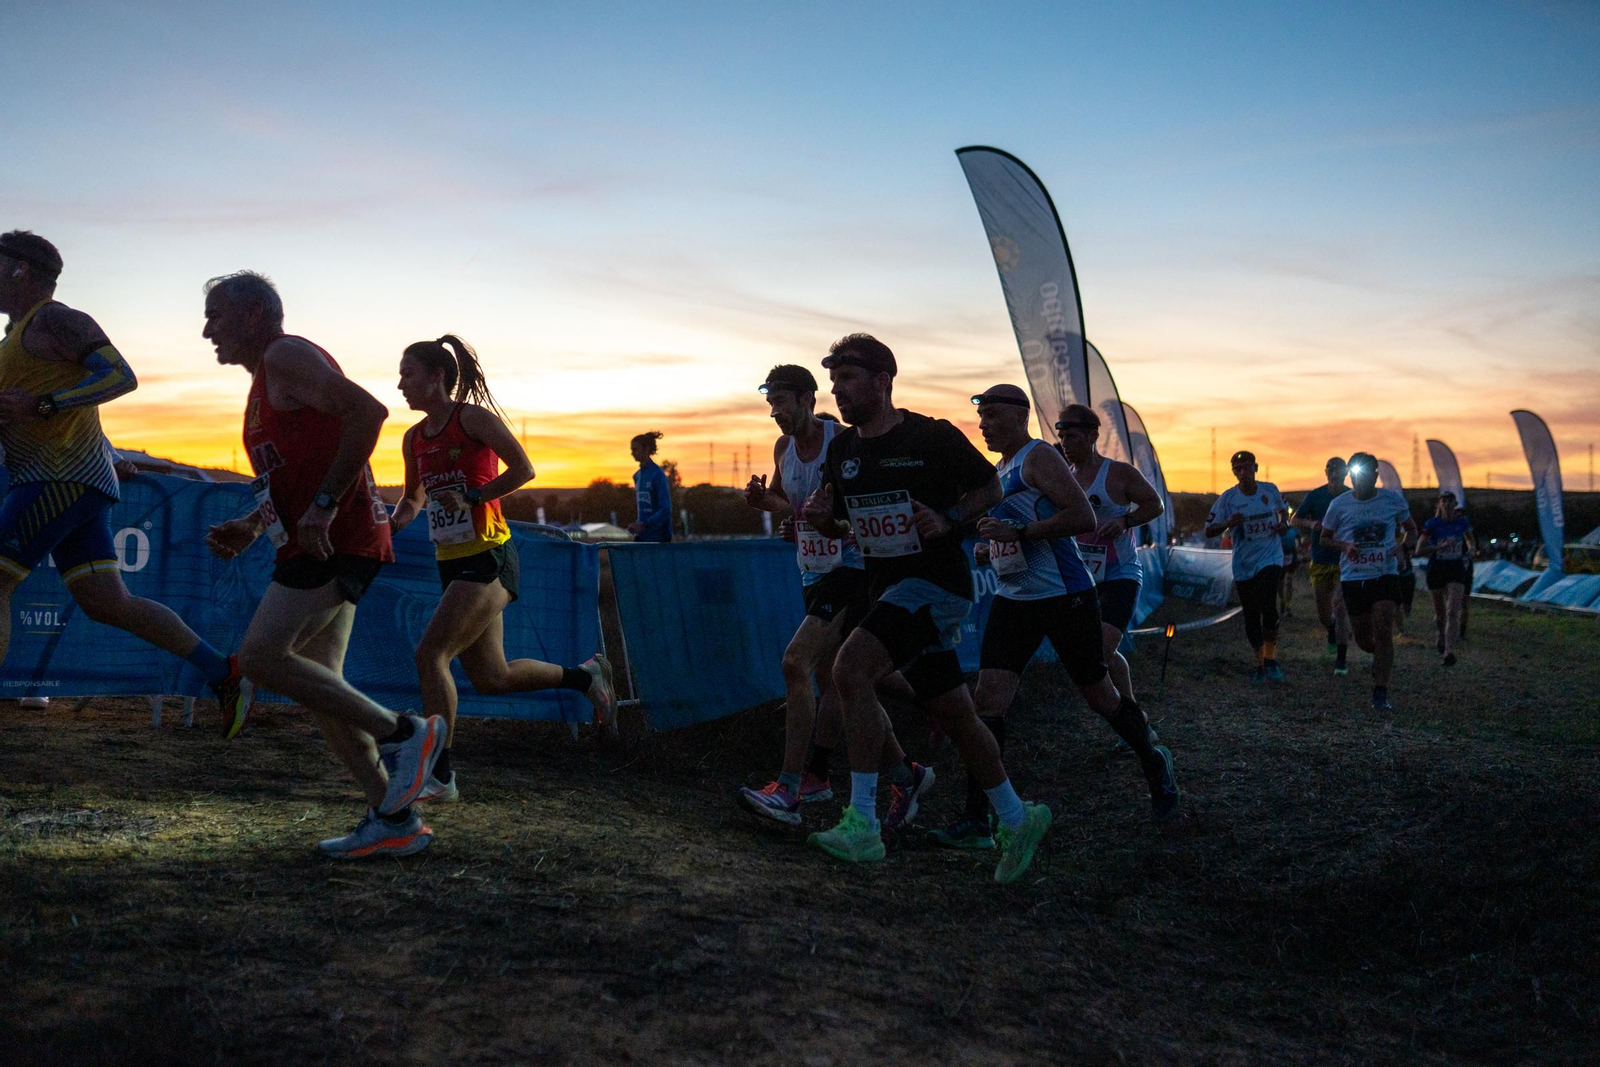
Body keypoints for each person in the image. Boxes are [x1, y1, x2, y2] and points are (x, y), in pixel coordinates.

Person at [200, 270, 444, 858]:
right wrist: (255, 525)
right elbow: (291, 467)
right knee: (323, 691)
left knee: (259, 656)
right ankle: (394, 819)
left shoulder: (285, 355)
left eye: (216, 316)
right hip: (317, 539)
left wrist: (325, 508)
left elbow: (369, 411)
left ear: (256, 314)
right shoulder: (268, 378)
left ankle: (406, 733)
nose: (207, 330)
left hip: (341, 538)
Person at [801, 334, 1050, 884]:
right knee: (957, 715)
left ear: (883, 381)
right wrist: (821, 518)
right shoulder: (843, 452)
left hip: (935, 583)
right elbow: (841, 523)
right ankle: (1016, 815)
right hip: (886, 586)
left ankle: (862, 822)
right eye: (834, 379)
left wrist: (949, 518)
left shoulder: (931, 436)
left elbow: (989, 486)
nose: (836, 390)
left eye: (847, 378)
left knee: (849, 668)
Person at [0, 231, 250, 731]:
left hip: (60, 475)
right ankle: (224, 672)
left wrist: (44, 405)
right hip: (75, 476)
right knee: (109, 602)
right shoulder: (14, 335)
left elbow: (120, 376)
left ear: (21, 268)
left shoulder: (55, 319)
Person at [932, 386, 1179, 849]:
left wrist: (1019, 532)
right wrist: (993, 548)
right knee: (989, 702)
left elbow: (1083, 515)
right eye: (980, 416)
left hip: (1066, 595)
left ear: (1019, 416)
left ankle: (1153, 760)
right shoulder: (999, 470)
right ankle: (977, 819)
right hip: (1014, 597)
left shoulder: (1037, 457)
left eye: (992, 415)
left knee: (1099, 695)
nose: (983, 424)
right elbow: (1012, 533)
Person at [390, 335, 615, 802]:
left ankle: (440, 774)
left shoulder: (471, 419)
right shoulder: (413, 439)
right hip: (450, 561)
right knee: (492, 677)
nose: (400, 385)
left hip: (490, 556)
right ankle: (585, 676)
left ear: (436, 376)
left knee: (430, 655)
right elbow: (414, 499)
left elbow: (524, 470)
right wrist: (388, 526)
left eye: (407, 374)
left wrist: (472, 496)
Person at [737, 365, 929, 827]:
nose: (774, 412)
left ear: (808, 399)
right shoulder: (784, 448)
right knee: (839, 681)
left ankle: (789, 787)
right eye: (770, 403)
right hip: (812, 570)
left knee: (794, 663)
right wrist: (766, 504)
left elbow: (863, 508)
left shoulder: (842, 442)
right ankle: (905, 774)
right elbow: (791, 504)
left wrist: (835, 526)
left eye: (781, 402)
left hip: (853, 567)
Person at [1053, 403, 1164, 714]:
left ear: (1092, 436)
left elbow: (1155, 505)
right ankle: (1133, 714)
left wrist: (1126, 521)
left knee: (1101, 649)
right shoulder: (1063, 477)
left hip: (1120, 574)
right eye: (1062, 437)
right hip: (1082, 577)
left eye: (1072, 437)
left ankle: (1125, 715)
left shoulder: (1118, 473)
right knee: (1100, 652)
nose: (1065, 444)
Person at [1317, 452, 1417, 711]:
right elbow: (1324, 538)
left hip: (1384, 573)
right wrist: (1344, 545)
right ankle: (1378, 658)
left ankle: (1380, 692)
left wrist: (1403, 548)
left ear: (1375, 476)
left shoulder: (1392, 501)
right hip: (1354, 577)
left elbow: (1412, 529)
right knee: (1363, 639)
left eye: (1367, 474)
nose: (1360, 480)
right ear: (1350, 475)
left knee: (1384, 627)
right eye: (1355, 475)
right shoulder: (1339, 505)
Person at [1204, 451, 1289, 682]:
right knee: (1251, 614)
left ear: (1256, 468)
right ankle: (1260, 664)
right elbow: (1209, 529)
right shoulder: (1228, 499)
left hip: (1270, 555)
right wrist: (1228, 523)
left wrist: (1283, 525)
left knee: (1268, 606)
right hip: (1244, 561)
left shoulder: (1269, 490)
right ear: (1233, 473)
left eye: (1247, 467)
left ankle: (1271, 659)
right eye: (1237, 469)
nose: (1243, 473)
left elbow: (1284, 511)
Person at [1294, 457, 1353, 676]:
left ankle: (1341, 661)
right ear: (1326, 472)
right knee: (1323, 614)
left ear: (1346, 472)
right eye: (1330, 468)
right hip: (1319, 559)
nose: (1334, 472)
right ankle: (1331, 630)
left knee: (1340, 609)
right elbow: (1294, 520)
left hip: (1343, 560)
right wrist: (1311, 524)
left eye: (1338, 469)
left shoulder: (1351, 496)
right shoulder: (1315, 496)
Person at [1415, 491, 1474, 667]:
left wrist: (1470, 551)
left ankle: (1449, 650)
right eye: (1444, 501)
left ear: (1455, 504)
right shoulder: (1432, 524)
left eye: (1450, 501)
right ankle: (1440, 634)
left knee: (1452, 611)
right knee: (1440, 613)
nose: (1447, 504)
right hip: (1437, 568)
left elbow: (1471, 541)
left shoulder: (1462, 523)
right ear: (1439, 504)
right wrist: (1438, 547)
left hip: (1455, 567)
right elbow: (1419, 550)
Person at [628, 432, 672, 542]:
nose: (632, 453)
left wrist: (645, 525)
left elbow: (665, 509)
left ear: (646, 449)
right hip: (643, 537)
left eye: (635, 449)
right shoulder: (637, 476)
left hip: (659, 538)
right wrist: (637, 525)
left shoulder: (657, 474)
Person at [1278, 525, 1300, 618]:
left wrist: (1299, 548)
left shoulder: (1293, 531)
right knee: (1280, 585)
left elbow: (1298, 540)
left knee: (1288, 582)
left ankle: (1288, 608)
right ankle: (1283, 605)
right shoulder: (1275, 529)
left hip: (1291, 557)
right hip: (1279, 558)